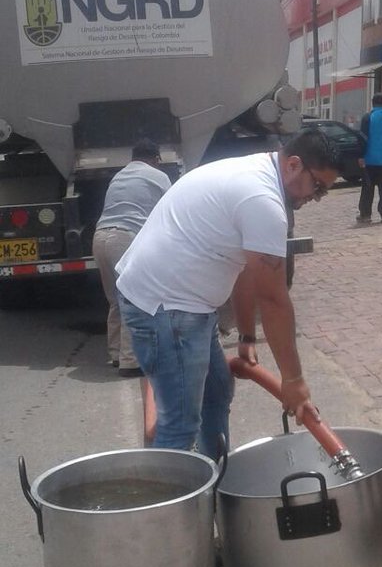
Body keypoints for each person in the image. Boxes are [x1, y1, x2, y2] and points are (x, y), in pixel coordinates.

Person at [116, 129, 340, 460]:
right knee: (179, 427)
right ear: (294, 165)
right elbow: (274, 300)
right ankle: (170, 491)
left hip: (181, 304)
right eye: (317, 186)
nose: (316, 197)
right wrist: (293, 380)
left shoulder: (256, 174)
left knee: (217, 392)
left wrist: (247, 336)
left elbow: (245, 270)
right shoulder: (262, 200)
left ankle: (216, 475)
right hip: (167, 309)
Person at [92, 139, 171, 376]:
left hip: (100, 238)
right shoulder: (158, 176)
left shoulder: (119, 176)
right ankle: (130, 361)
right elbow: (171, 209)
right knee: (133, 298)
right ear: (155, 159)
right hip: (125, 238)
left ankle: (116, 354)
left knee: (116, 299)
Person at [356, 93, 382, 225]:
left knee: (368, 188)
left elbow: (363, 138)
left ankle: (365, 215)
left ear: (372, 102)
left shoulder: (368, 117)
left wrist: (361, 155)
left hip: (370, 159)